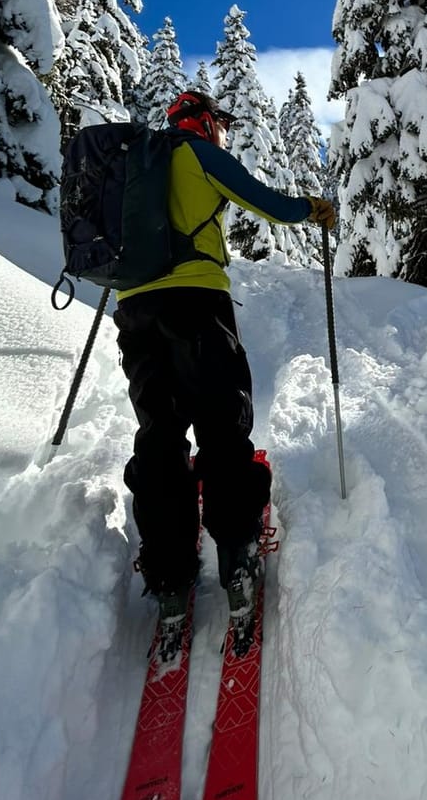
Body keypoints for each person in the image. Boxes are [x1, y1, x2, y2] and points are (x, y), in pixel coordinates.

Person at [112, 90, 335, 652]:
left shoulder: (133, 164)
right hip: (197, 305)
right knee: (220, 427)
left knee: (159, 437)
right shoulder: (195, 152)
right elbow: (267, 203)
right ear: (206, 124)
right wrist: (313, 208)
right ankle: (235, 561)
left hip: (135, 313)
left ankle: (168, 579)